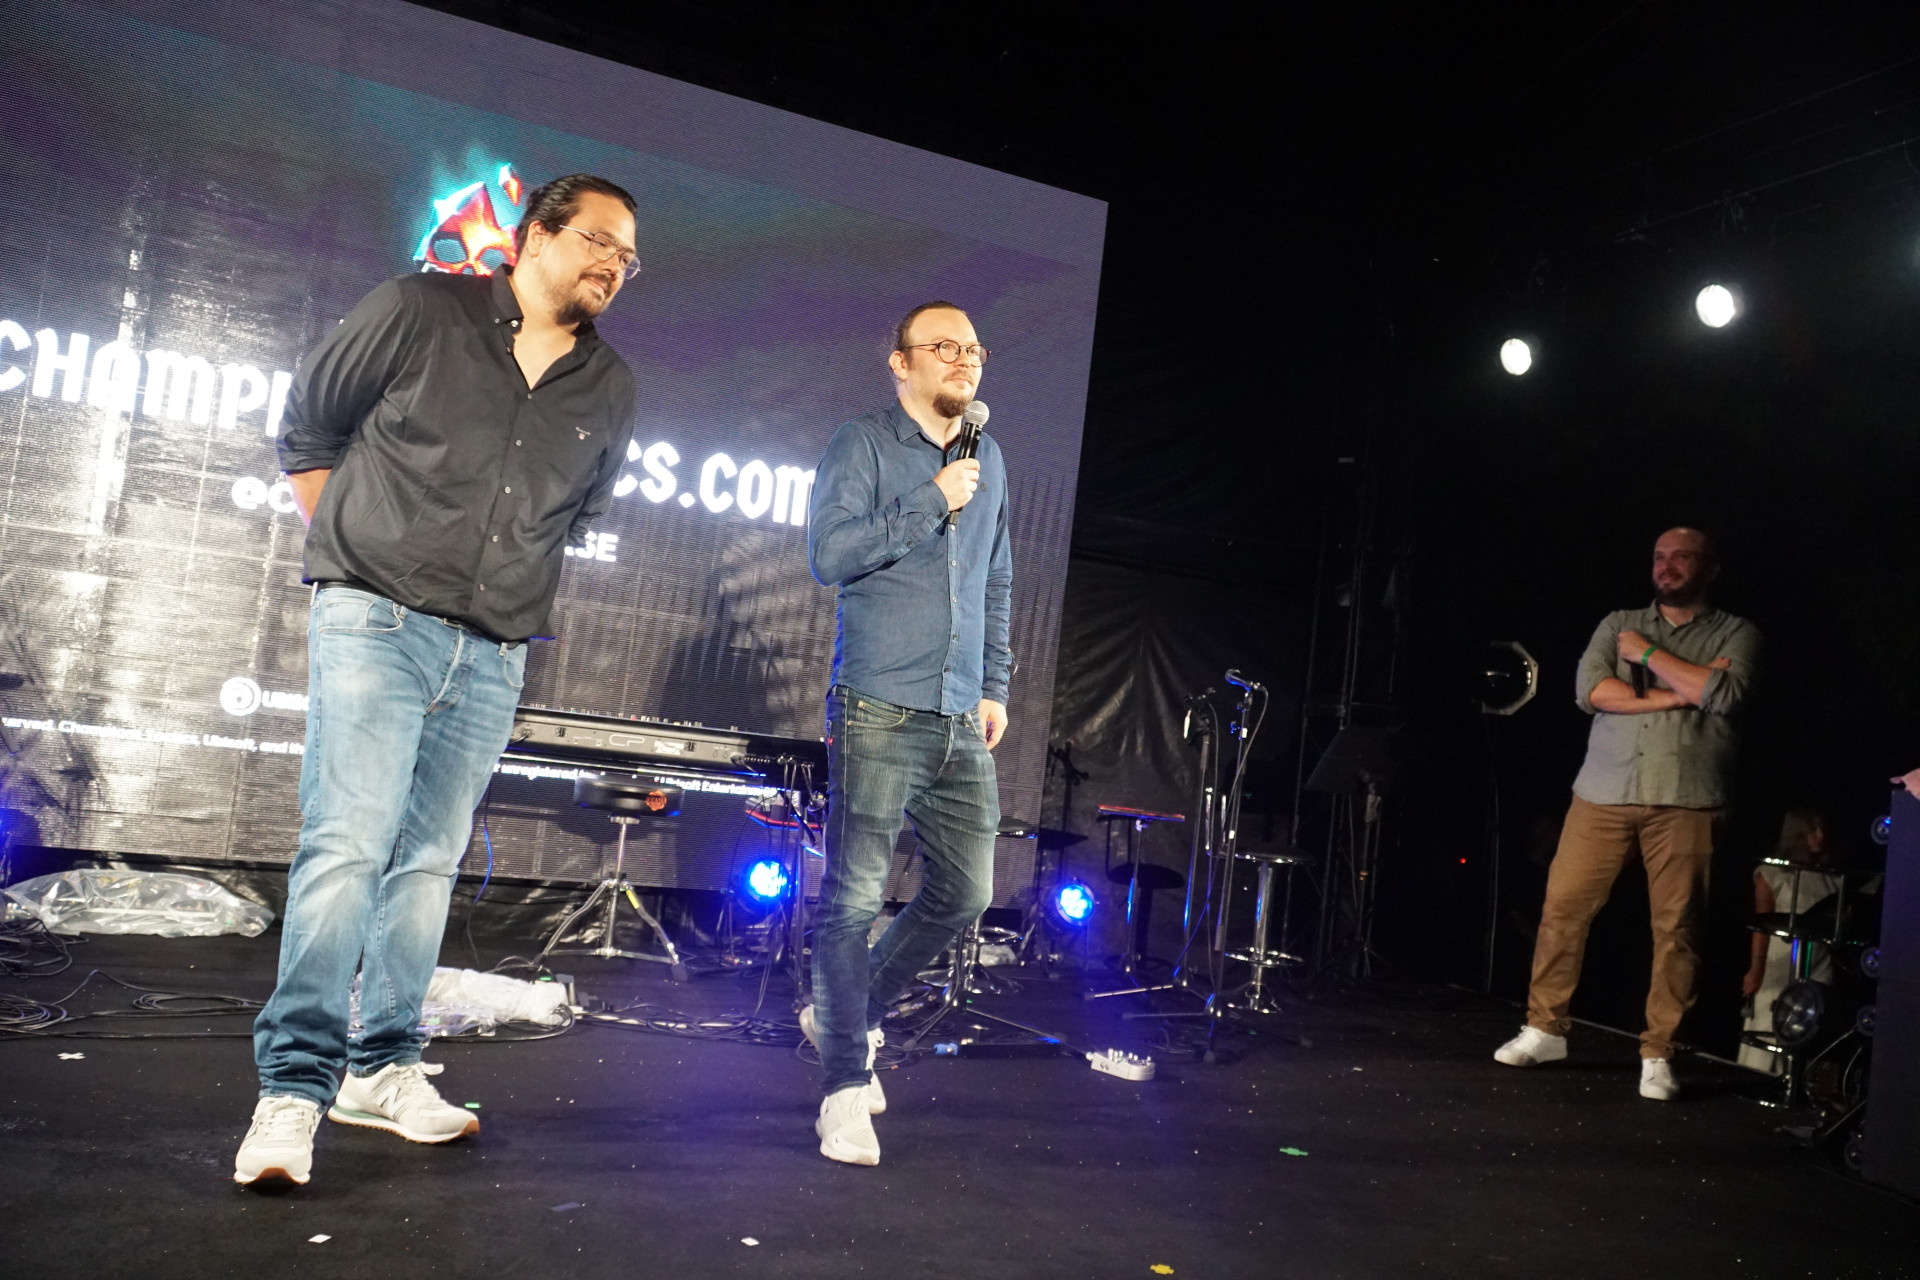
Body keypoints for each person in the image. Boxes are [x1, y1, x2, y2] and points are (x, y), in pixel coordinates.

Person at [235, 175, 641, 1187]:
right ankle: (292, 1088)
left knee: (425, 864)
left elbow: (573, 518)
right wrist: (360, 556)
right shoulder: (420, 309)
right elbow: (309, 433)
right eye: (598, 240)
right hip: (376, 619)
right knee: (347, 846)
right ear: (534, 235)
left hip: (495, 651)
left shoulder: (610, 385)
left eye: (628, 257)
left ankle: (381, 1067)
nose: (614, 263)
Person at [801, 301, 1012, 1165]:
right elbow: (830, 555)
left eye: (973, 350)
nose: (964, 360)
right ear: (901, 362)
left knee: (966, 893)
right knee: (853, 902)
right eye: (944, 347)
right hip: (879, 705)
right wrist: (931, 500)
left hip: (960, 712)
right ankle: (843, 1089)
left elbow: (997, 576)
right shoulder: (862, 443)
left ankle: (847, 1016)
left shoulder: (989, 457)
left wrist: (994, 683)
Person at [1494, 527, 1760, 1100]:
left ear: (1710, 568)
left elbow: (1727, 695)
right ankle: (1545, 1028)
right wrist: (1686, 689)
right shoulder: (1619, 623)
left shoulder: (1736, 631)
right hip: (1603, 791)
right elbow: (1592, 693)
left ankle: (1660, 1052)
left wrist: (1648, 657)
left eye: (1682, 557)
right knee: (1563, 908)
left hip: (1688, 798)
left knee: (1678, 929)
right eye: (1660, 557)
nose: (1667, 566)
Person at [1738, 809, 1843, 1074]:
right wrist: (1756, 969)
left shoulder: (1832, 879)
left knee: (1809, 1030)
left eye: (1822, 829)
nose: (1820, 835)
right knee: (1770, 1024)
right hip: (1780, 964)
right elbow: (1761, 926)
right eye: (1813, 830)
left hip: (1818, 968)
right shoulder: (1773, 874)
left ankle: (1799, 1084)